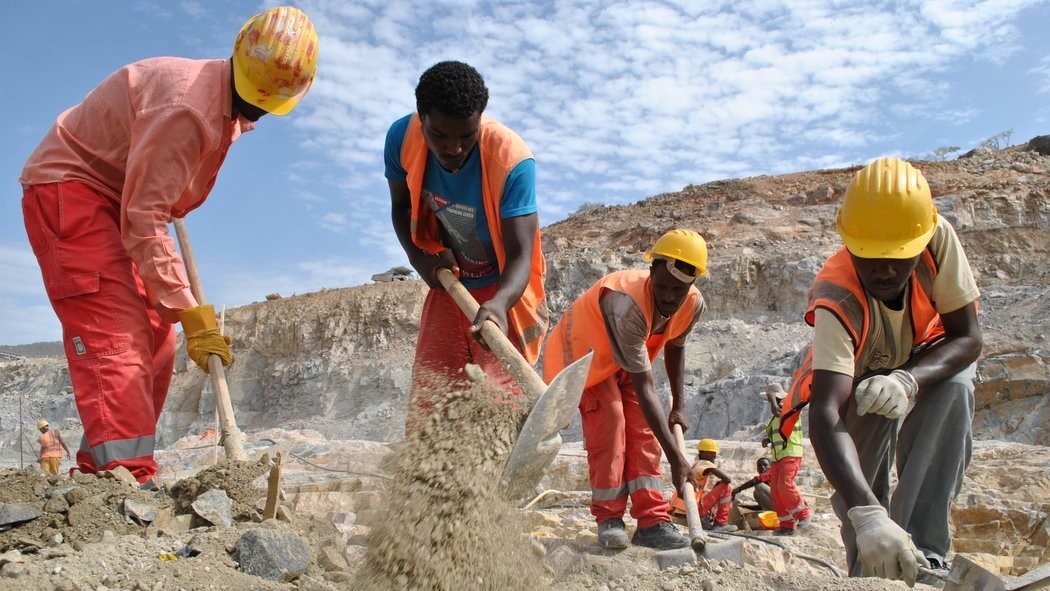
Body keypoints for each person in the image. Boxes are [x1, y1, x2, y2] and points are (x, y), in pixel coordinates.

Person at [19, 7, 318, 484]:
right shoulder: (187, 108)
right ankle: (126, 479)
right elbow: (143, 218)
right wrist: (192, 312)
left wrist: (177, 313)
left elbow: (152, 205)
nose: (258, 108)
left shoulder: (225, 106)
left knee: (157, 338)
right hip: (74, 192)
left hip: (119, 200)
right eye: (254, 95)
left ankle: (102, 474)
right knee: (114, 335)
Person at [779, 157, 982, 586]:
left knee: (955, 389)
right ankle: (872, 572)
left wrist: (908, 380)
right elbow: (827, 412)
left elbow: (968, 338)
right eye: (872, 258)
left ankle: (925, 557)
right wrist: (868, 514)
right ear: (850, 243)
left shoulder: (935, 239)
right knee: (860, 483)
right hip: (861, 376)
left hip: (928, 356)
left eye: (899, 258)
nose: (886, 270)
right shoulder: (836, 295)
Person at [386, 61, 547, 428]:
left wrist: (499, 304)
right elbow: (400, 206)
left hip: (504, 286)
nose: (453, 148)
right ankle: (425, 477)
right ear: (421, 118)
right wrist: (418, 258)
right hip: (449, 278)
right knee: (432, 396)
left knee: (498, 400)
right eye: (440, 135)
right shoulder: (400, 139)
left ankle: (493, 479)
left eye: (467, 136)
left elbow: (522, 253)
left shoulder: (512, 160)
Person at [542, 229, 709, 551]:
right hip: (585, 361)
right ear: (651, 272)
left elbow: (676, 345)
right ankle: (609, 519)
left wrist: (679, 405)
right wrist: (678, 459)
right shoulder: (625, 302)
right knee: (612, 425)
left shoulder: (693, 305)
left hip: (623, 363)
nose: (669, 297)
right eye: (662, 286)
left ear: (693, 283)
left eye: (679, 289)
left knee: (645, 433)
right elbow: (645, 385)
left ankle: (652, 522)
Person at [762, 383, 811, 536]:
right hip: (778, 455)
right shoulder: (775, 414)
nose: (769, 402)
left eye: (770, 398)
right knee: (776, 490)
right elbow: (779, 430)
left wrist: (773, 398)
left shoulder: (789, 407)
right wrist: (767, 439)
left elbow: (779, 413)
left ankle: (803, 514)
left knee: (785, 484)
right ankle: (786, 524)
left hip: (790, 452)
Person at [669, 439, 738, 533]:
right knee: (727, 487)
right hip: (691, 507)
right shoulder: (704, 463)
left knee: (719, 487)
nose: (714, 455)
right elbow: (727, 480)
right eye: (710, 452)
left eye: (714, 452)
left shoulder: (693, 464)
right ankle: (721, 523)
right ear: (702, 453)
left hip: (683, 507)